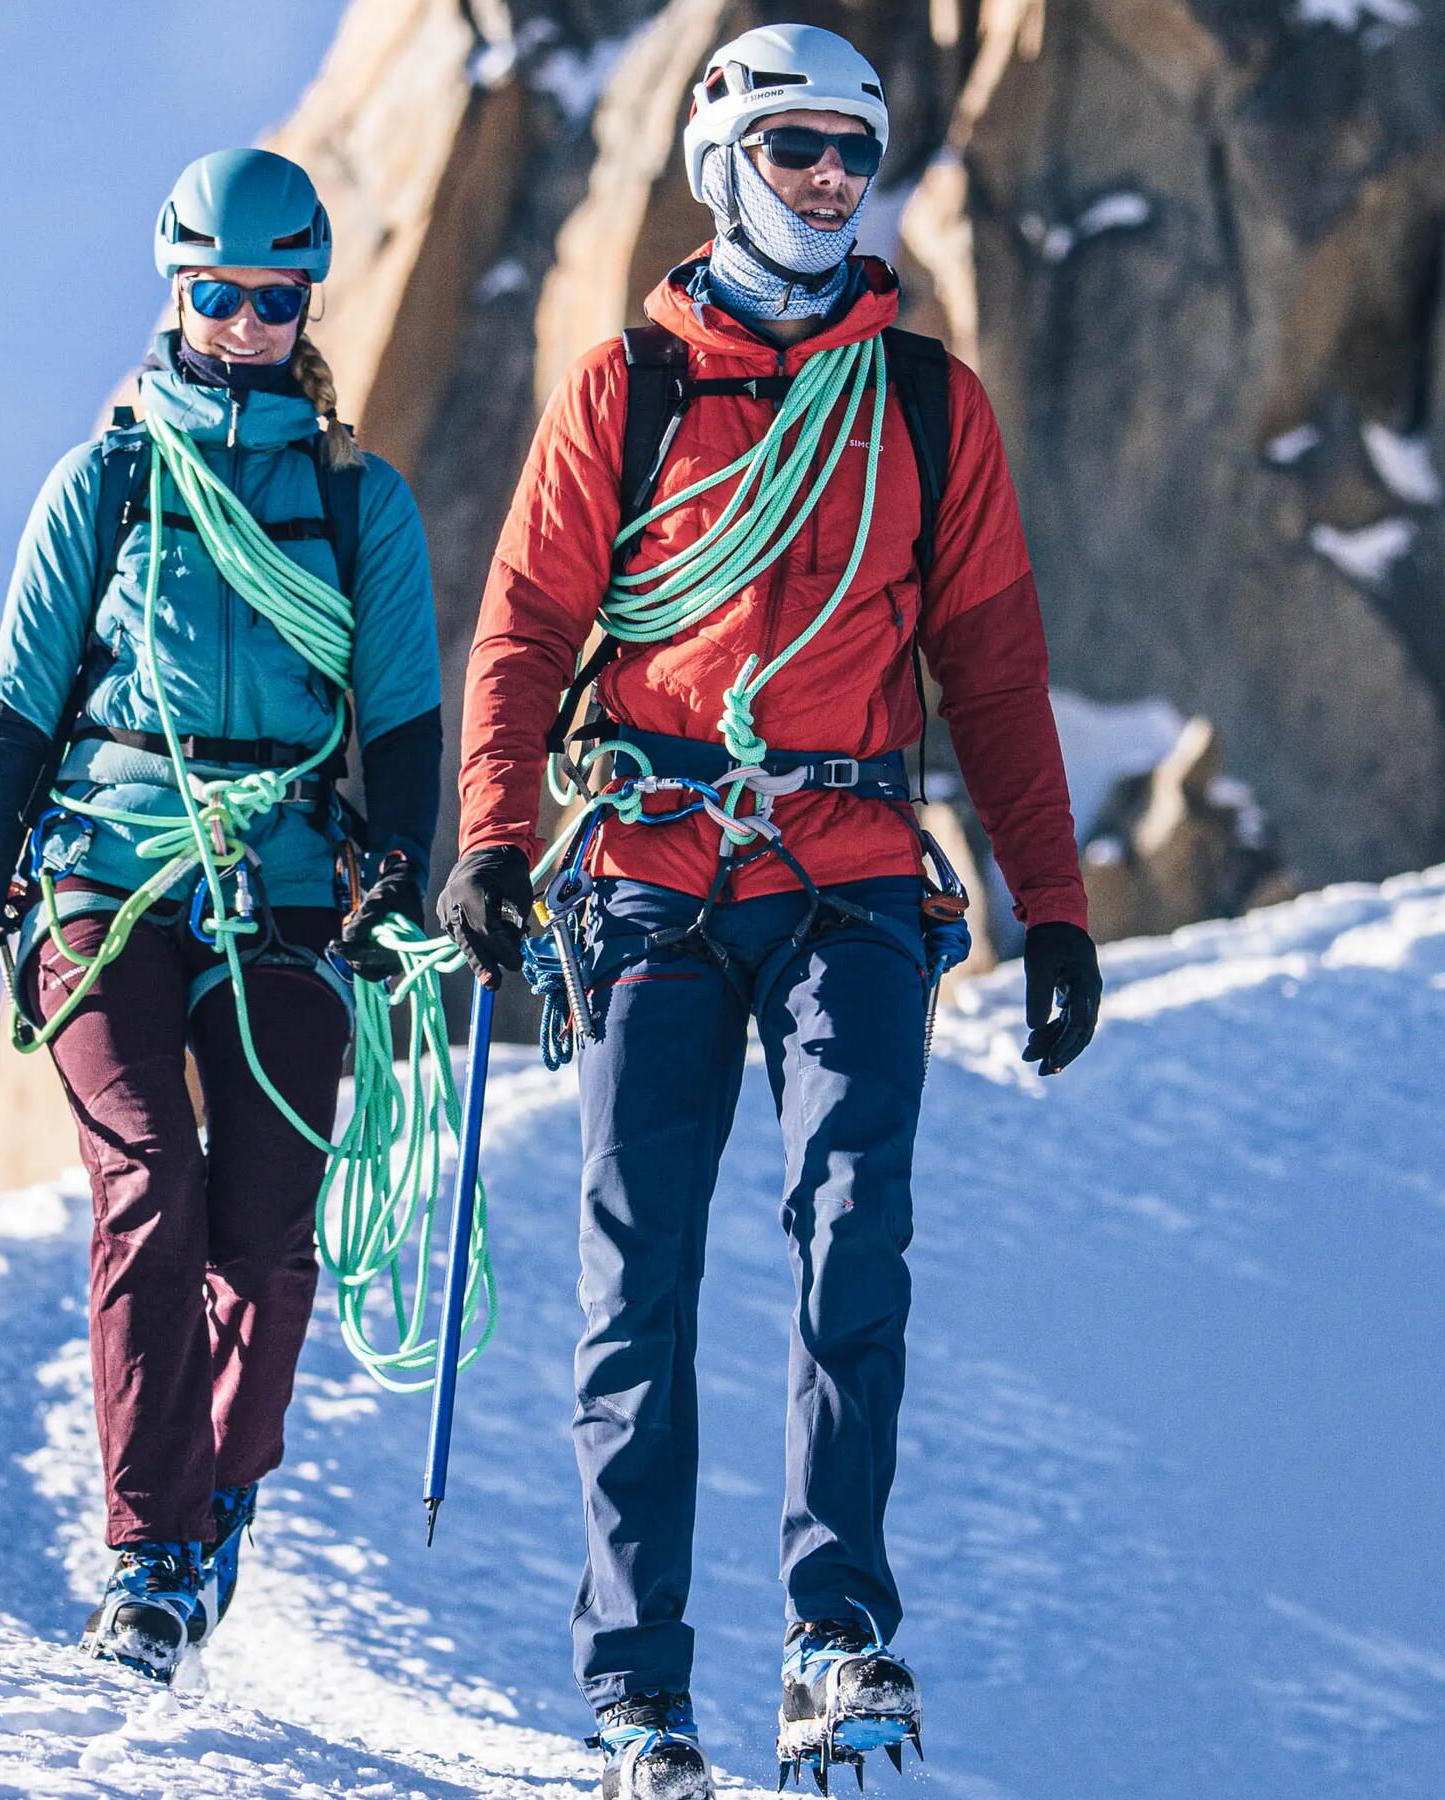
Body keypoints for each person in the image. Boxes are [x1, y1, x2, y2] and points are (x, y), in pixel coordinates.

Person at [440, 23, 1101, 1797]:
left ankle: (833, 1635)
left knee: (851, 1233)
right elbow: (523, 633)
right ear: (724, 154)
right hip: (652, 878)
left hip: (859, 879)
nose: (831, 181)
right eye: (799, 147)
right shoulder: (627, 391)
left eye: (852, 154)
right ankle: (638, 1689)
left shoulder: (924, 403)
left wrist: (1056, 907)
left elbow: (997, 674)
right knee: (635, 1273)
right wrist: (497, 839)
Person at [0, 148, 443, 1683]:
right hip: (106, 877)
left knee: (271, 1233)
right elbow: (16, 715)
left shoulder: (360, 508)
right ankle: (151, 1556)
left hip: (281, 887)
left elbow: (401, 719)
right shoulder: (110, 481)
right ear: (176, 287)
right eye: (220, 294)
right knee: (149, 1175)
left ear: (306, 303)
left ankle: (218, 1504)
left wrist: (397, 872)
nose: (248, 322)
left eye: (279, 299)